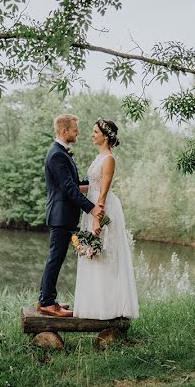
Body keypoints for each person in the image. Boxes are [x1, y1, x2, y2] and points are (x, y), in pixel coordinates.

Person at [72, 119, 139, 320]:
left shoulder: (109, 158)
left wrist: (96, 218)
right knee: (93, 256)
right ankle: (93, 306)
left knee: (103, 254)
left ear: (106, 136)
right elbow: (93, 185)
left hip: (102, 208)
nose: (92, 135)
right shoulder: (99, 156)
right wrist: (70, 189)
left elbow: (103, 191)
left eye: (95, 132)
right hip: (91, 206)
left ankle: (109, 308)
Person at [38, 114, 104, 317]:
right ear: (64, 131)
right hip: (60, 215)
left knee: (56, 258)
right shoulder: (57, 155)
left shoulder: (61, 153)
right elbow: (68, 189)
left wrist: (97, 185)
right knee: (55, 259)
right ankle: (47, 302)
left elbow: (73, 185)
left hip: (63, 215)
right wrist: (92, 208)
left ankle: (48, 299)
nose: (78, 133)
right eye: (75, 129)